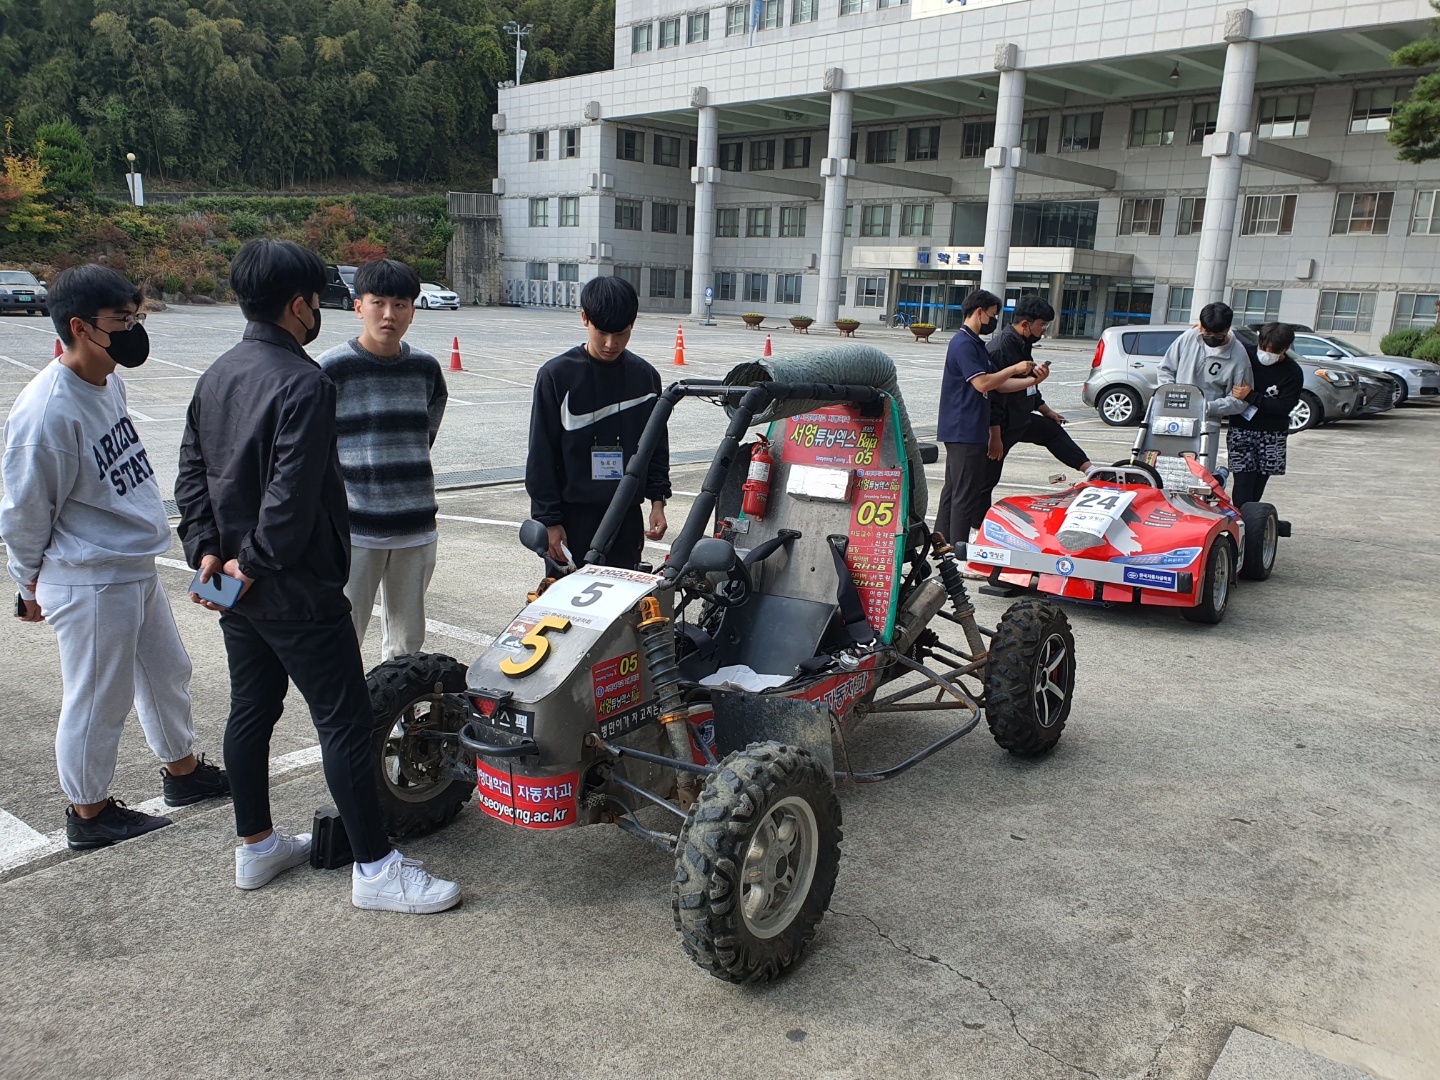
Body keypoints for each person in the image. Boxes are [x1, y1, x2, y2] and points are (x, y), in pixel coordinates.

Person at [176, 238, 460, 913]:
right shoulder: (305, 380)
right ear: (300, 304)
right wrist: (253, 562)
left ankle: (256, 846)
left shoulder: (218, 372)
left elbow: (191, 472)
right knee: (345, 720)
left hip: (238, 585)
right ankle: (376, 867)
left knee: (252, 710)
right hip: (295, 586)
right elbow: (291, 495)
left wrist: (207, 554)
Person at [1, 265, 228, 850]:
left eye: (135, 316)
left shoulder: (107, 383)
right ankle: (89, 812)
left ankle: (182, 771)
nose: (132, 329)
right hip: (89, 576)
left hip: (132, 565)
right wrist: (26, 585)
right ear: (80, 327)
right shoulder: (46, 412)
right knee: (99, 698)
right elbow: (24, 510)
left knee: (166, 671)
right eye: (121, 320)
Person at [317, 259, 448, 660]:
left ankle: (398, 702)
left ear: (413, 310)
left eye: (400, 304)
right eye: (378, 303)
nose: (389, 314)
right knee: (343, 638)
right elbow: (317, 449)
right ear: (359, 306)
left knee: (407, 643)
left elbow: (426, 432)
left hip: (416, 524)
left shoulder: (425, 368)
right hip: (356, 529)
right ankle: (345, 705)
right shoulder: (330, 368)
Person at [526, 276, 670, 569]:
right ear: (584, 319)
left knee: (623, 596)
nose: (610, 344)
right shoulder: (556, 376)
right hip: (572, 519)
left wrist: (658, 501)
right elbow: (541, 454)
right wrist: (549, 520)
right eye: (602, 332)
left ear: (633, 324)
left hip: (625, 518)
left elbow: (656, 447)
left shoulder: (646, 378)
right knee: (567, 596)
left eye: (621, 333)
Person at [933, 289, 1037, 550]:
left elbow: (998, 385)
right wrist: (1014, 368)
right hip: (964, 427)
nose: (994, 321)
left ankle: (942, 544)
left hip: (968, 427)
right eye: (992, 315)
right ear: (979, 312)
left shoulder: (976, 344)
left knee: (954, 489)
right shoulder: (963, 344)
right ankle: (959, 550)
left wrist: (1032, 380)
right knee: (965, 493)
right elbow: (982, 383)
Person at [985, 296, 1092, 477]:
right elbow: (993, 396)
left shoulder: (1023, 344)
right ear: (1025, 324)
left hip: (1020, 418)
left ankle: (1092, 471)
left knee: (1052, 430)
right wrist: (994, 437)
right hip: (1002, 424)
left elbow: (1029, 388)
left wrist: (1047, 411)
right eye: (1042, 325)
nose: (1043, 331)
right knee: (985, 479)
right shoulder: (1000, 349)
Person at [1158, 301, 1252, 464]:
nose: (1211, 338)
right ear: (1200, 326)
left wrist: (1207, 407)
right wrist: (1171, 395)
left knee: (1201, 471)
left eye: (1218, 335)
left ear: (1227, 329)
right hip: (1175, 416)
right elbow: (1165, 368)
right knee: (1169, 466)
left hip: (1207, 424)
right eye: (1207, 333)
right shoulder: (1189, 337)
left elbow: (1240, 401)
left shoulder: (1239, 356)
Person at [1228, 322, 1303, 506]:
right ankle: (1241, 518)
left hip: (1272, 433)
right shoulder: (1245, 355)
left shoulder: (1293, 372)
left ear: (1285, 348)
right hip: (1241, 430)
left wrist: (1251, 396)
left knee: (1258, 483)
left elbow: (1284, 406)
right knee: (1243, 481)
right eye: (1263, 348)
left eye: (1273, 351)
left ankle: (1251, 516)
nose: (1267, 353)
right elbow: (1224, 340)